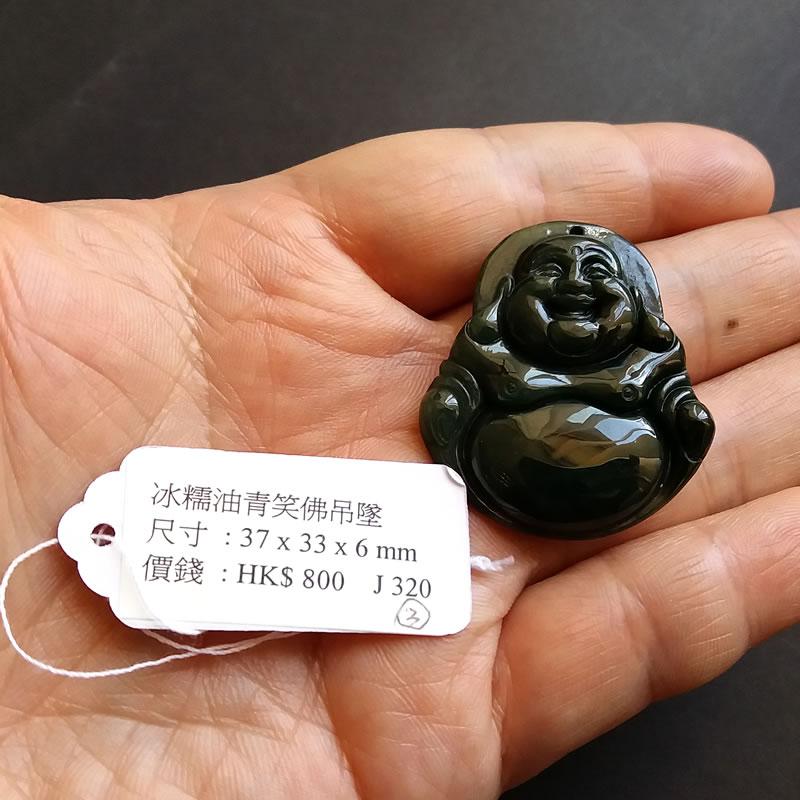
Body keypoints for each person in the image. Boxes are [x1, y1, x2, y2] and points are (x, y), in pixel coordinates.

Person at [0, 121, 796, 798]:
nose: (575, 285)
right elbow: (472, 398)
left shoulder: (649, 362)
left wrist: (672, 414)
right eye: (549, 275)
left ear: (641, 305)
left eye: (598, 276)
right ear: (505, 301)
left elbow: (672, 405)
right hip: (503, 464)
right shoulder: (493, 358)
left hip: (628, 471)